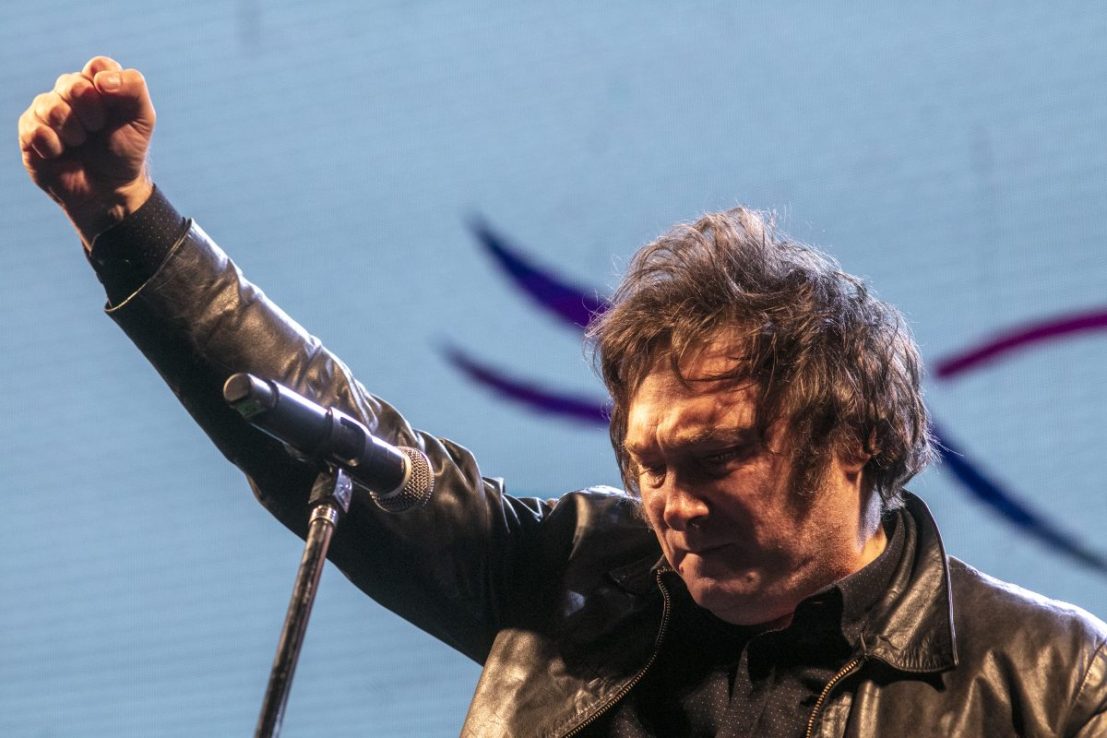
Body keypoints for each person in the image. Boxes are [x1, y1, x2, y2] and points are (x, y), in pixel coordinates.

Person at [19, 56, 1107, 737]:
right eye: (648, 465)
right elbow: (332, 432)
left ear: (854, 438)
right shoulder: (572, 578)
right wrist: (126, 222)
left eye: (715, 457)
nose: (673, 503)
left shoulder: (1055, 682)